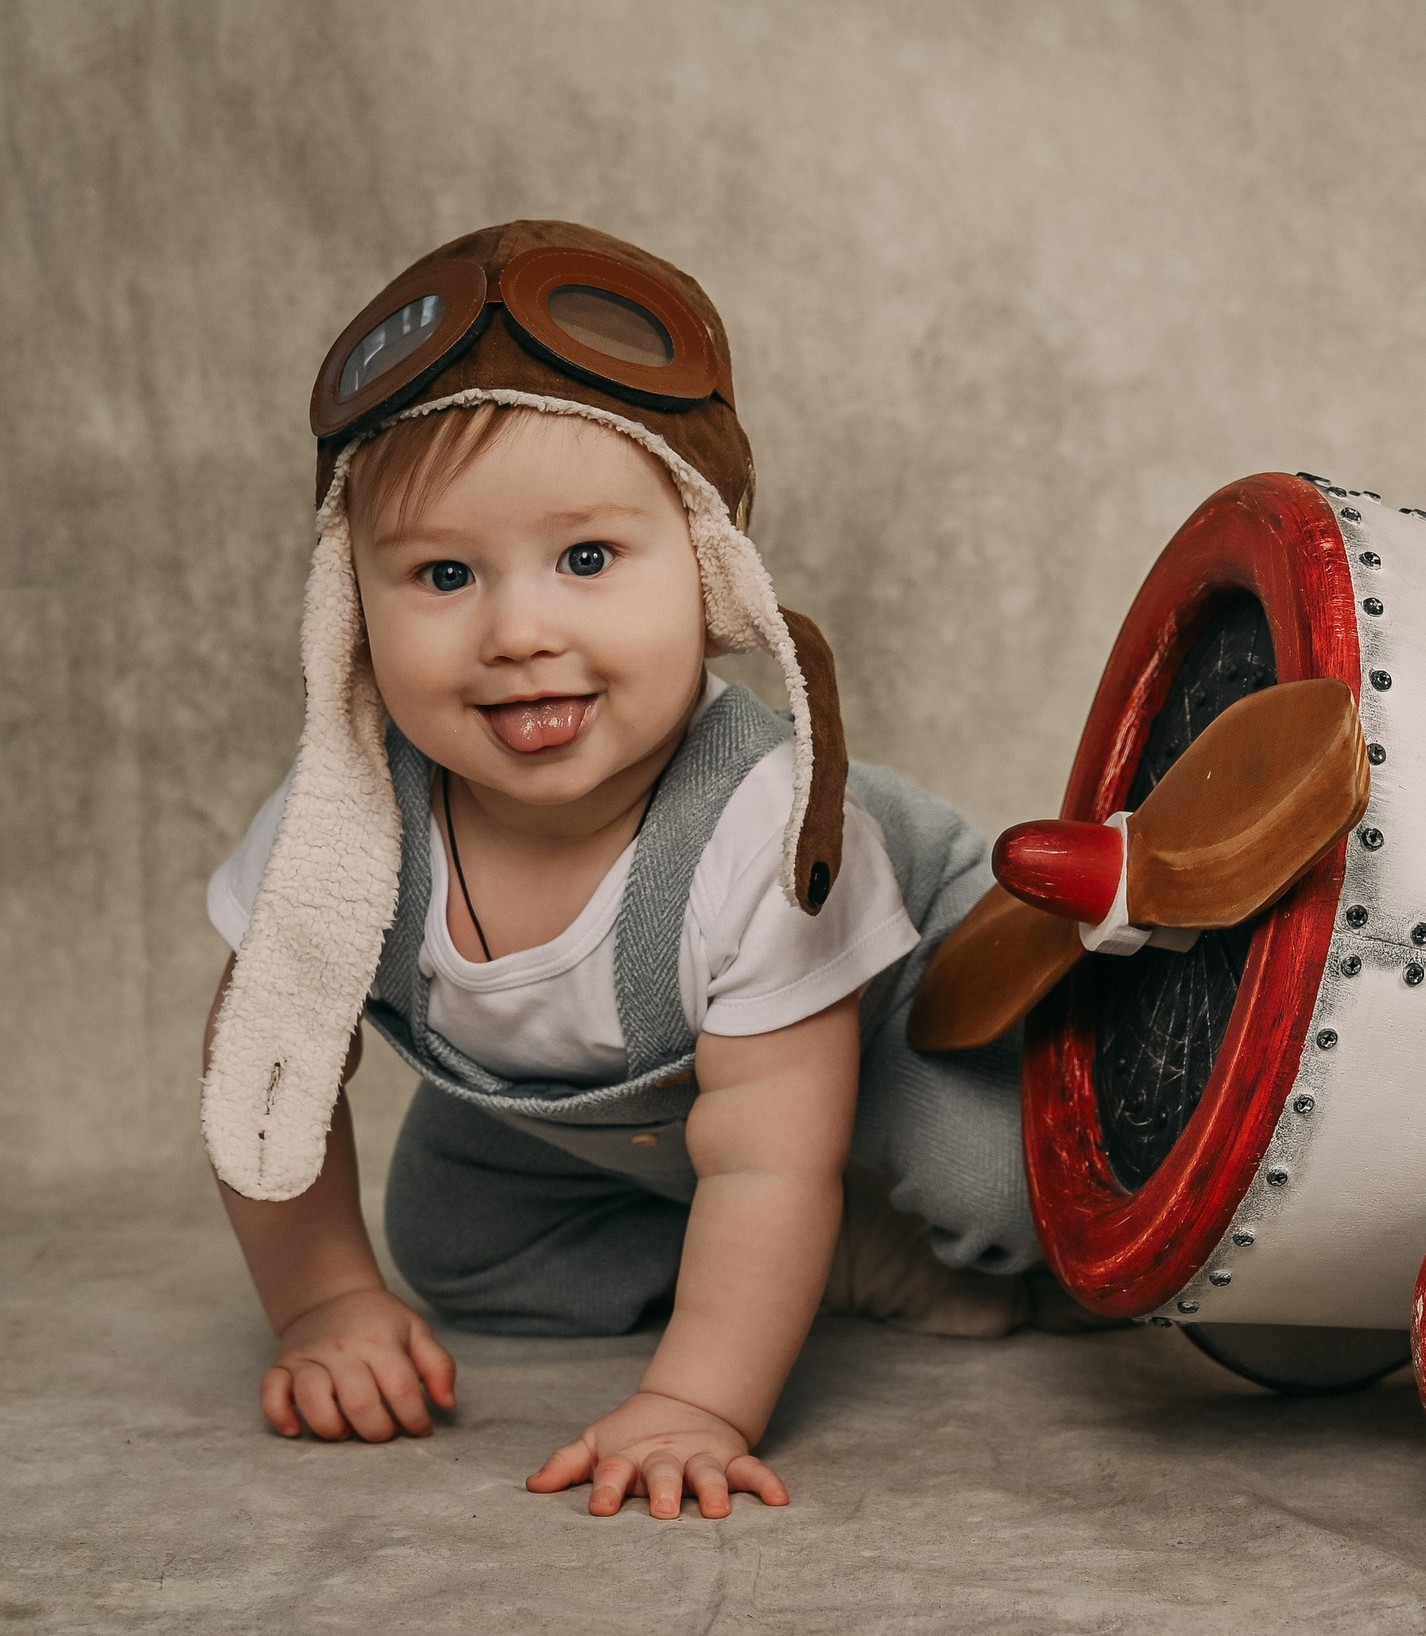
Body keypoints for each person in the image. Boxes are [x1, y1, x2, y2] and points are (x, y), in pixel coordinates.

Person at [200, 221, 1050, 1522]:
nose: (520, 631)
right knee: (453, 1249)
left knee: (996, 1183)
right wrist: (325, 1300)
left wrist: (696, 1401)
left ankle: (878, 1229)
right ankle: (820, 1267)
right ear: (349, 616)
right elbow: (265, 1066)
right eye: (442, 573)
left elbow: (769, 1152)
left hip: (885, 1035)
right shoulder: (344, 825)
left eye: (587, 559)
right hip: (610, 1129)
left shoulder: (758, 829)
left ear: (709, 576)